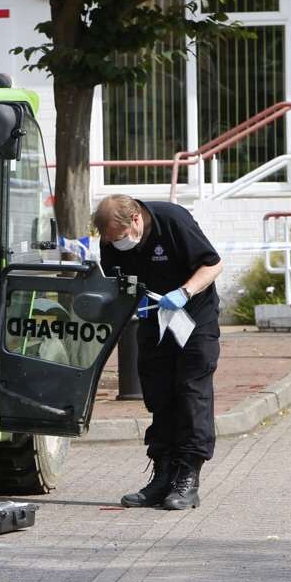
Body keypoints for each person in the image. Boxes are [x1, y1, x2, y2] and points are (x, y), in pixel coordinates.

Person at [95, 194, 223, 510]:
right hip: (154, 319)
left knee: (192, 392)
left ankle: (187, 479)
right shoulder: (111, 240)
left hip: (193, 318)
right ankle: (163, 476)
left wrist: (184, 292)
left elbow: (213, 264)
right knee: (159, 393)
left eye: (121, 238)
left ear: (136, 219)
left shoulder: (173, 221)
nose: (117, 244)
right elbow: (115, 280)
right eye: (111, 240)